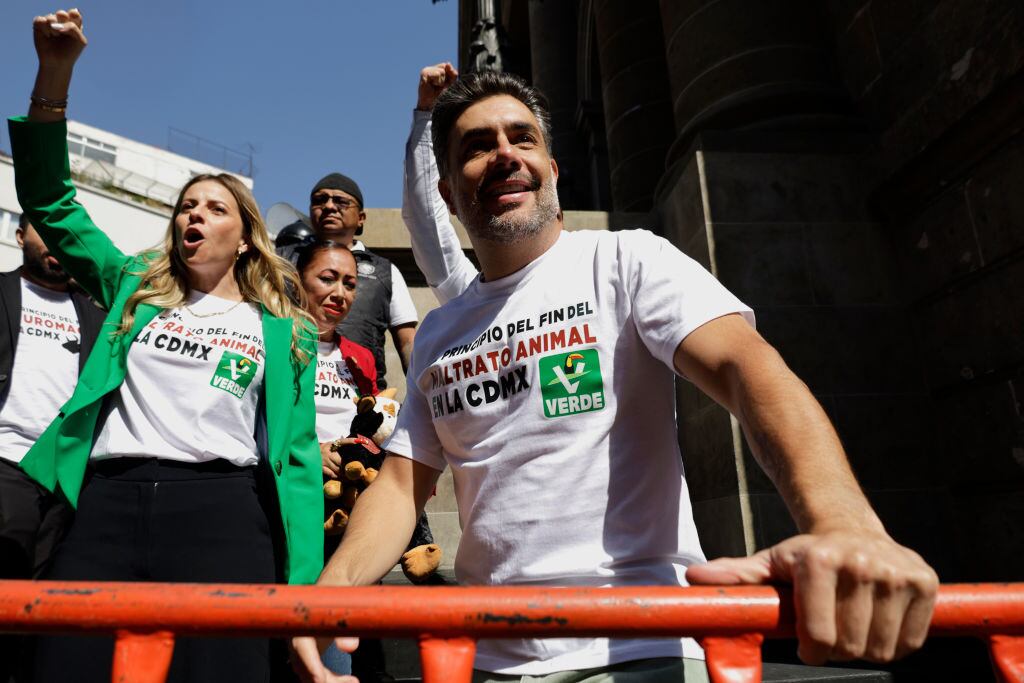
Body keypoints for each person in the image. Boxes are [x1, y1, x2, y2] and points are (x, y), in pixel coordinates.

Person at [291, 66, 939, 682]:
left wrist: (846, 526)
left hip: (645, 648)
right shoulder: (439, 330)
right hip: (493, 659)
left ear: (552, 166)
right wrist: (329, 593)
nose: (505, 154)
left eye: (523, 138)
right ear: (448, 190)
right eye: (477, 146)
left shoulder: (628, 261)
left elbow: (751, 370)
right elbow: (402, 485)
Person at [11, 10, 322, 682]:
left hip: (223, 512)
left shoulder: (286, 330)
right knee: (65, 667)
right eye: (187, 205)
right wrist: (54, 71)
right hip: (107, 503)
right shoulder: (131, 284)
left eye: (214, 207)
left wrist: (307, 608)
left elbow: (297, 462)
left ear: (244, 238)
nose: (193, 214)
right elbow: (50, 197)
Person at [0, 214, 105, 683]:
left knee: (43, 609)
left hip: (68, 478)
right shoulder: (3, 291)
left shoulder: (97, 314)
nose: (56, 245)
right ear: (20, 235)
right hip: (6, 460)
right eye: (43, 230)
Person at [277, 173, 419, 388]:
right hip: (289, 391)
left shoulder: (385, 271)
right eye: (320, 200)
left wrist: (422, 395)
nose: (329, 206)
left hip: (362, 399)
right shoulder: (278, 260)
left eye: (341, 201)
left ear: (361, 217)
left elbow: (408, 342)